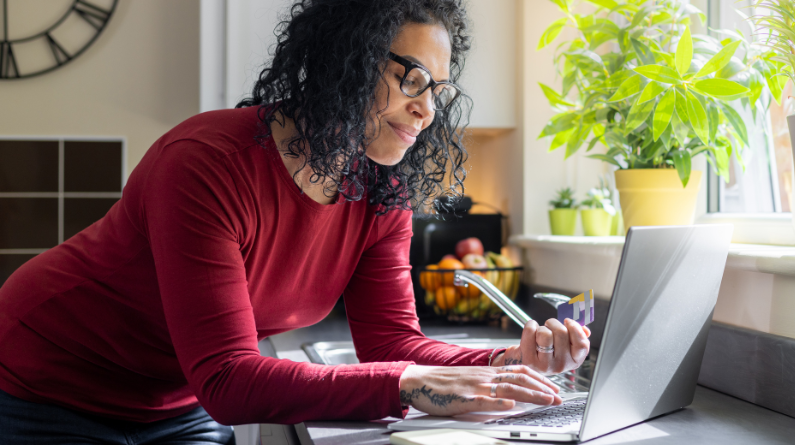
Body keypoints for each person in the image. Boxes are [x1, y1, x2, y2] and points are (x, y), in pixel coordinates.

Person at [0, 0, 590, 442]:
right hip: (46, 385)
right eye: (410, 79)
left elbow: (392, 342)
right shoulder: (207, 163)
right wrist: (408, 385)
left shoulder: (380, 189)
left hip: (177, 404)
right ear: (346, 61)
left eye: (438, 89)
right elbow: (230, 378)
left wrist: (509, 364)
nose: (427, 109)